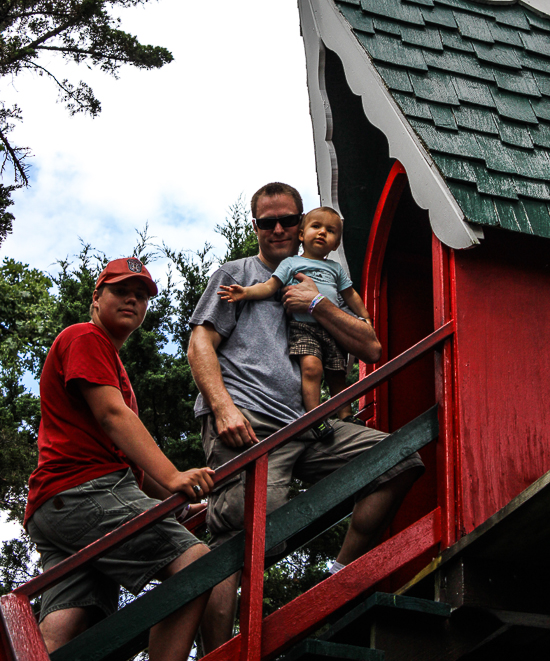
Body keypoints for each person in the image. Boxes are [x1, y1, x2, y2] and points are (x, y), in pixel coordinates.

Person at [187, 182, 424, 652]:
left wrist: (317, 303)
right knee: (245, 534)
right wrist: (223, 408)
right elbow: (200, 343)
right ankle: (220, 654)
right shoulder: (236, 274)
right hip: (250, 424)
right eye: (265, 222)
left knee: (399, 458)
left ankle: (339, 576)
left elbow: (372, 348)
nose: (277, 229)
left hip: (311, 424)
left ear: (303, 225)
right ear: (255, 227)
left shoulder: (328, 277)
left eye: (287, 220)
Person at [24, 257, 215, 661]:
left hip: (55, 506)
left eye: (142, 295)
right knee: (195, 561)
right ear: (96, 297)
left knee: (69, 621)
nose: (133, 299)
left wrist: (172, 498)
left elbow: (126, 463)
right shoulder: (85, 338)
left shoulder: (108, 360)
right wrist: (175, 475)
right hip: (84, 491)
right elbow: (114, 418)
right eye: (121, 290)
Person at [217, 206, 371, 437]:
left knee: (337, 374)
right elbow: (269, 286)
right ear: (301, 234)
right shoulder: (291, 263)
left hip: (330, 327)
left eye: (330, 231)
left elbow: (350, 295)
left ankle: (346, 416)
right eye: (316, 226)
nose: (322, 233)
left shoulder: (336, 269)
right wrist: (245, 292)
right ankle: (314, 417)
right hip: (304, 327)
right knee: (311, 368)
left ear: (336, 243)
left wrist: (365, 316)